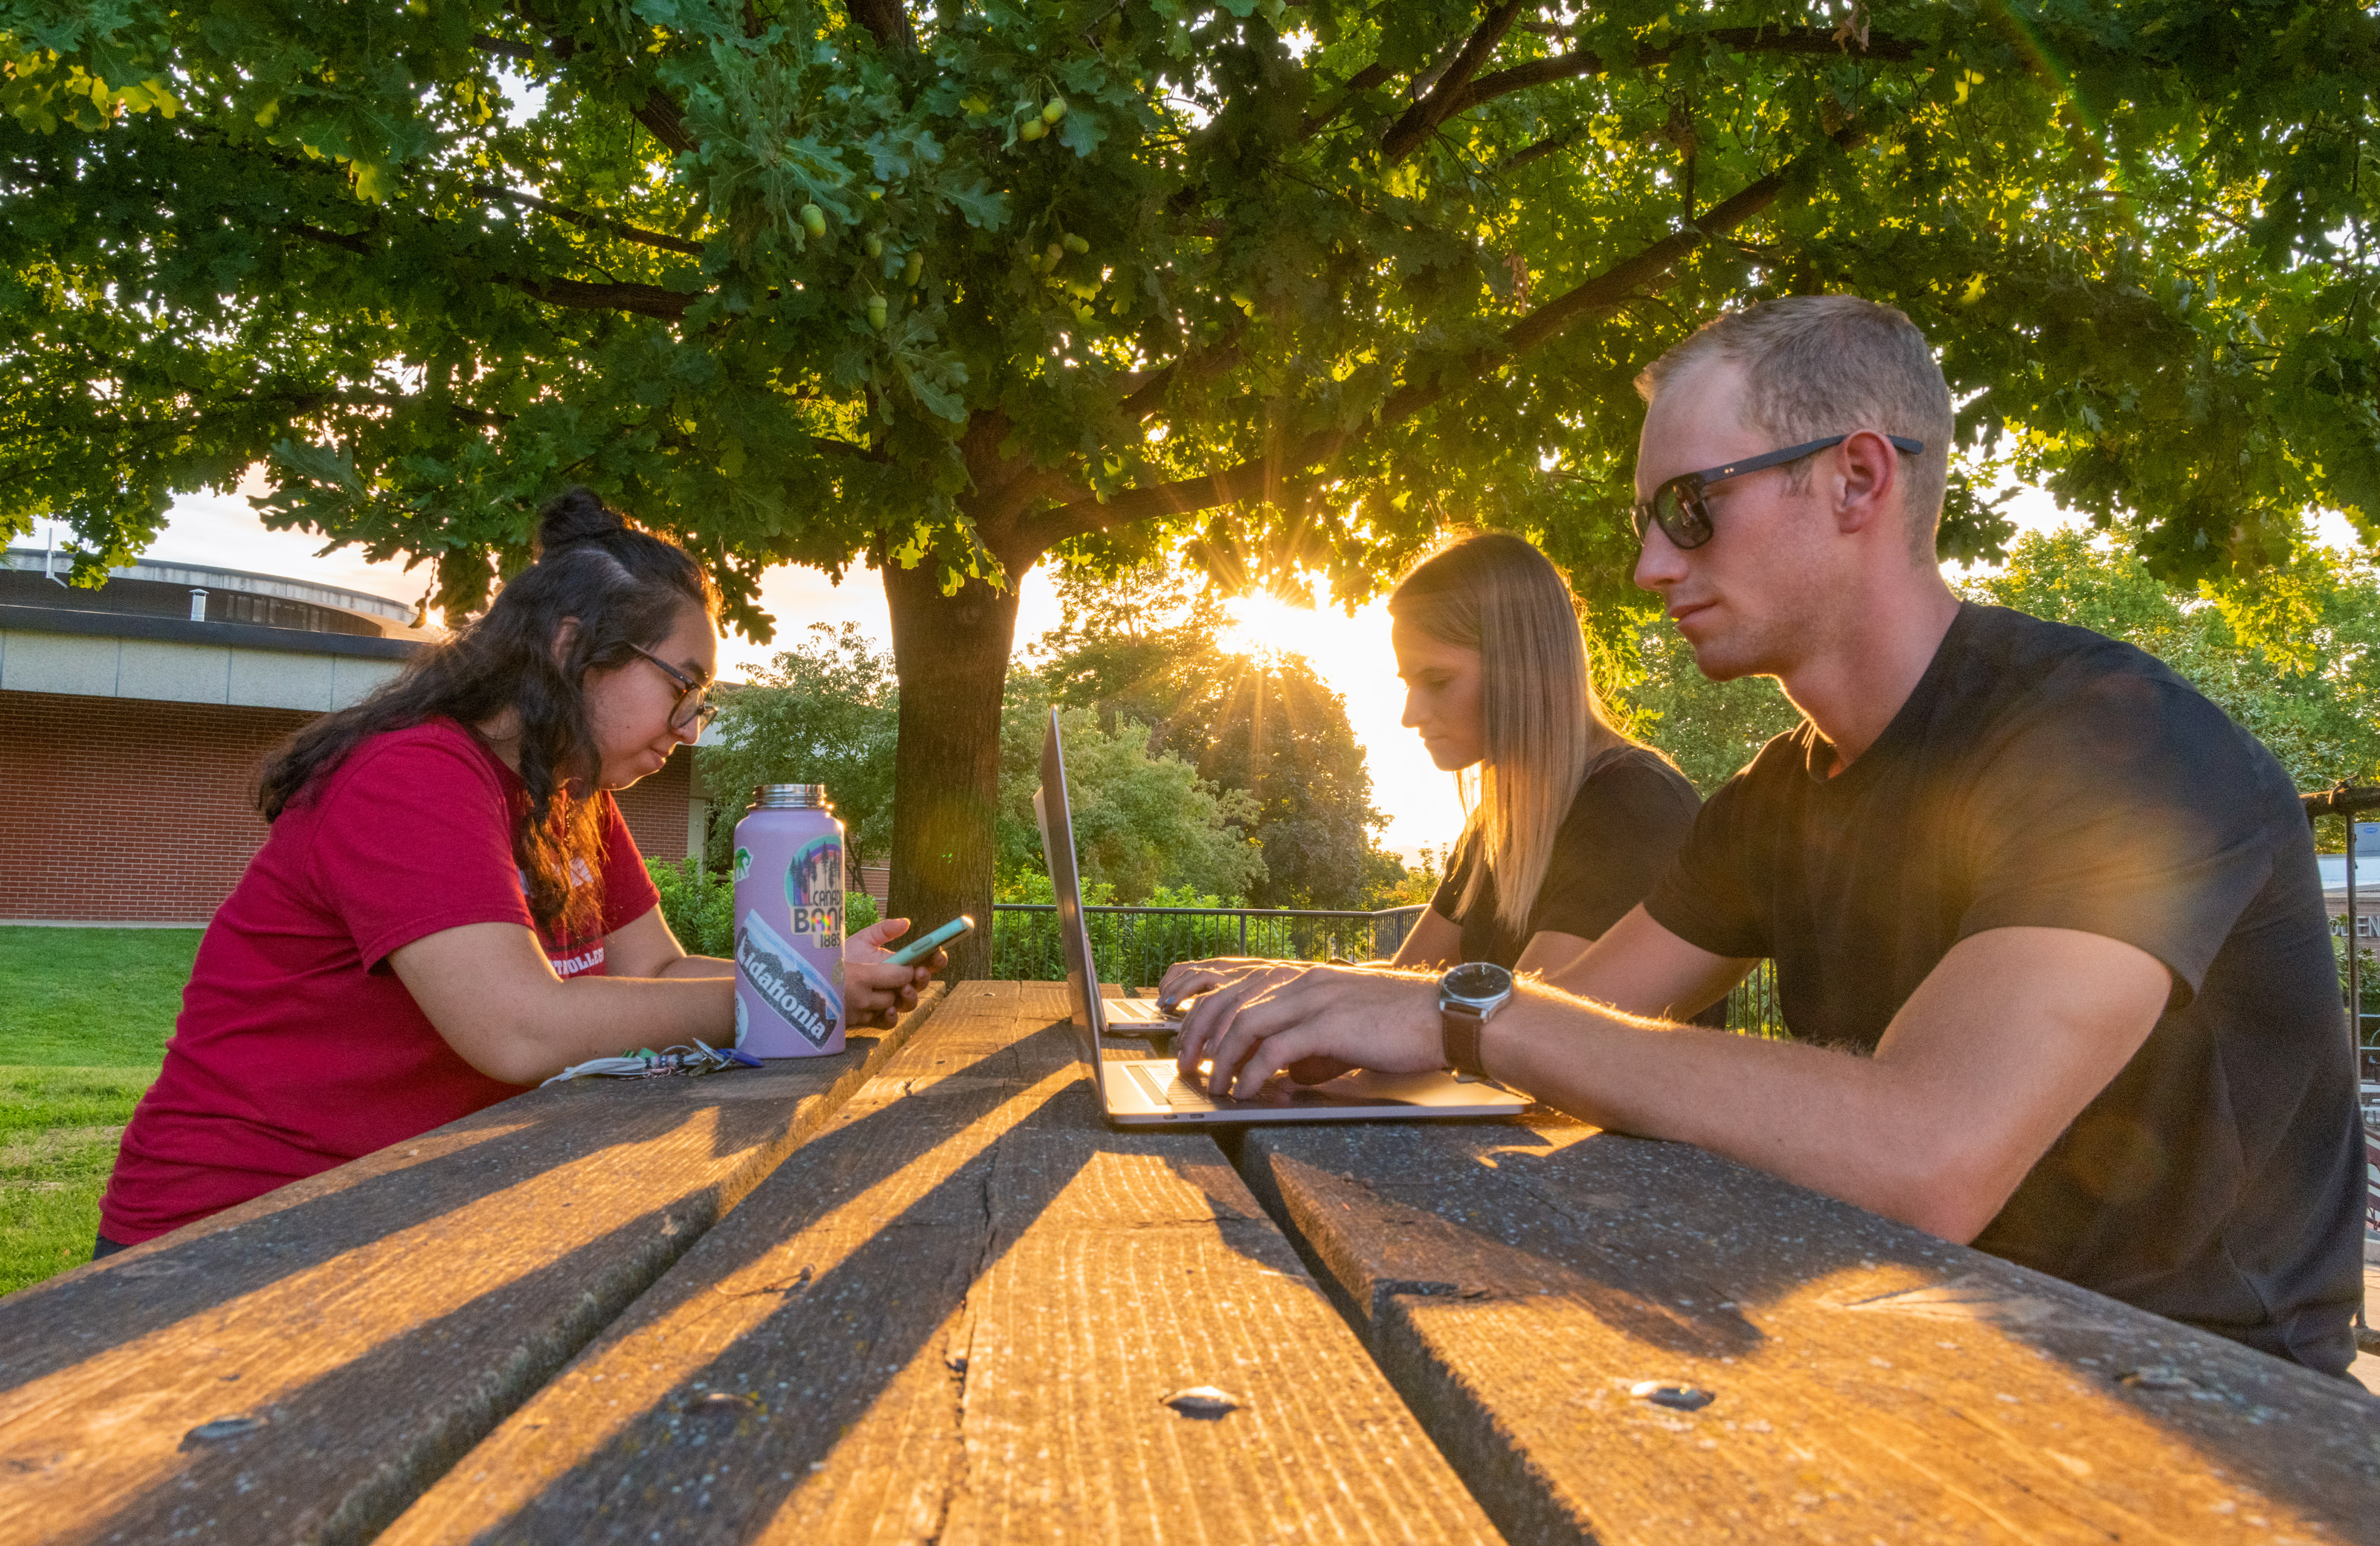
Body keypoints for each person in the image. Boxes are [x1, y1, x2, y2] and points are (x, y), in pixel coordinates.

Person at [1162, 296, 2366, 1377]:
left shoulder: (2119, 749)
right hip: (1916, 1333)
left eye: (1693, 509)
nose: (1648, 565)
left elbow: (1928, 1152)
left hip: (2195, 1390)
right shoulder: (1775, 798)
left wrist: (1468, 1012)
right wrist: (1314, 1019)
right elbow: (1572, 1024)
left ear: (1856, 480)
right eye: (1648, 519)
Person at [96, 489, 939, 1252]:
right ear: (573, 648)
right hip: (229, 1234)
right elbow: (517, 1027)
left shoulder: (570, 791)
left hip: (393, 1209)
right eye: (682, 686)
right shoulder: (412, 775)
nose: (690, 728)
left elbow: (654, 968)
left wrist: (820, 974)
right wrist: (791, 998)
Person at [1382, 533, 1711, 995]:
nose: (1409, 715)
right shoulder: (1500, 821)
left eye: (1436, 681)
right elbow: (1407, 977)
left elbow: (1524, 1034)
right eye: (1407, 683)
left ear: (1519, 668)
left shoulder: (1633, 807)